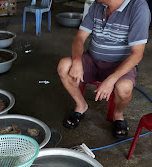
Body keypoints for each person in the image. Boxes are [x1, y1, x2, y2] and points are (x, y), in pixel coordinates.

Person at [57, 0, 151, 138]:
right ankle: (81, 105)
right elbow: (80, 37)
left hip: (119, 65)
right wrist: (77, 60)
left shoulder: (138, 8)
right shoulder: (98, 5)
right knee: (64, 65)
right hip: (92, 59)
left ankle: (118, 115)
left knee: (124, 87)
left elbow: (137, 54)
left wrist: (111, 80)